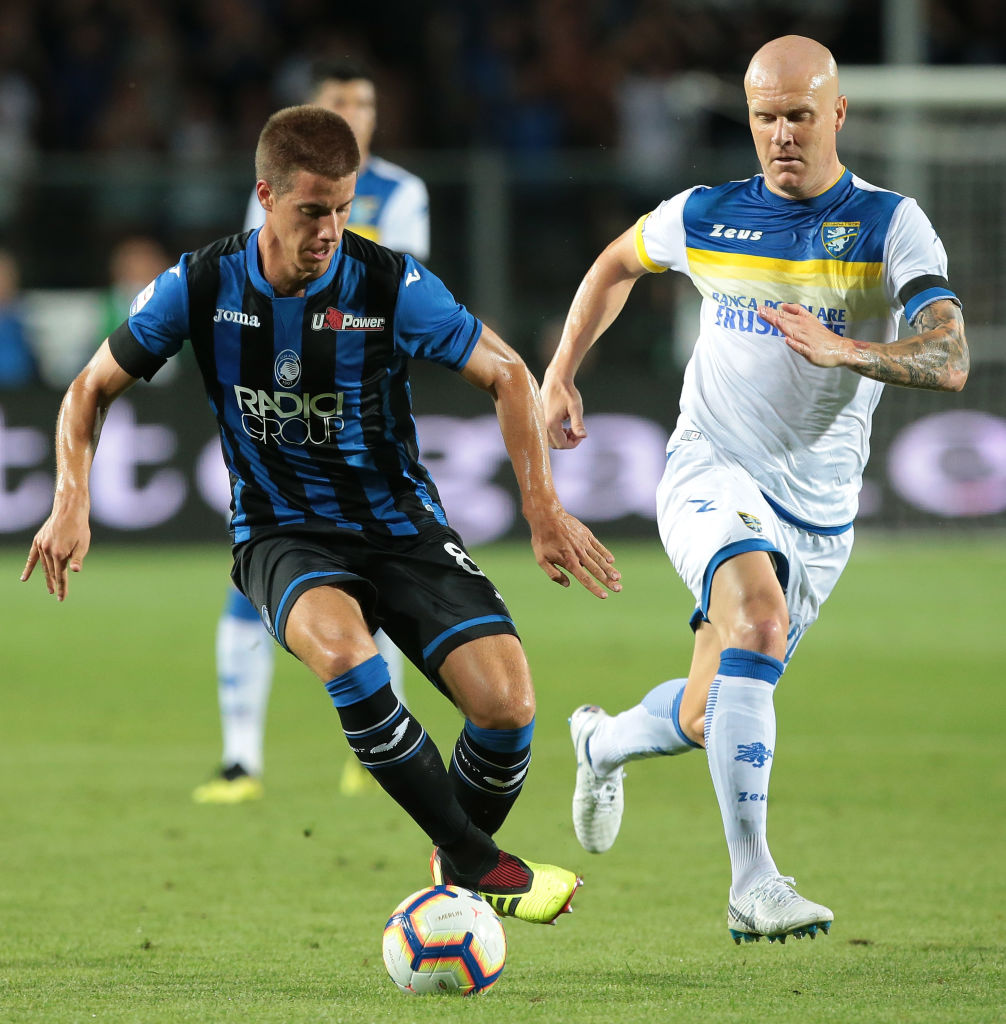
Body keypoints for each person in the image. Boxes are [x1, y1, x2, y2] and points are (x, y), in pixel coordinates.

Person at [23, 104, 621, 925]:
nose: (330, 229)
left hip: (400, 526)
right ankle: (483, 866)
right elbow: (90, 387)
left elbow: (510, 374)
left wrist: (543, 508)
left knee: (508, 709)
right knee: (346, 655)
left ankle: (452, 876)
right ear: (265, 195)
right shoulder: (200, 284)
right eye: (312, 211)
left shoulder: (388, 283)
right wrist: (70, 499)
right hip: (280, 533)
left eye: (341, 210)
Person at [541, 35, 968, 944]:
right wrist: (561, 370)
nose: (781, 134)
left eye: (800, 115)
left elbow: (950, 353)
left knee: (708, 711)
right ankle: (753, 883)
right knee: (759, 620)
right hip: (710, 468)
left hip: (819, 511)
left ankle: (602, 741)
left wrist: (849, 348)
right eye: (766, 116)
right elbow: (617, 262)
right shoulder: (706, 213)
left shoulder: (891, 224)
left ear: (838, 114)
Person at [196, 58, 432, 804]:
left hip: (362, 416)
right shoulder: (274, 195)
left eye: (364, 103)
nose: (356, 115)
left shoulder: (400, 193)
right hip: (284, 415)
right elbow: (251, 292)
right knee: (253, 584)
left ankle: (379, 749)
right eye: (340, 103)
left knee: (385, 578)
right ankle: (241, 761)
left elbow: (400, 297)